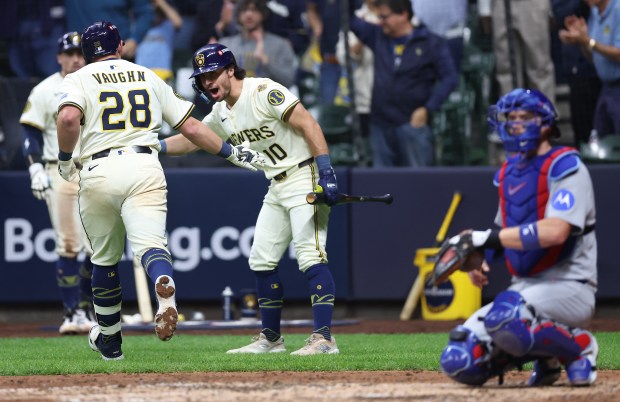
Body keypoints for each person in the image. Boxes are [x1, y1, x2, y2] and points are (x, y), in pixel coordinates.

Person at [56, 21, 265, 360]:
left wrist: (65, 158)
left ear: (84, 53)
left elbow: (67, 120)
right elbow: (193, 127)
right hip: (144, 165)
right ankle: (164, 291)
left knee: (105, 260)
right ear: (120, 46)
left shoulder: (78, 78)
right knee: (152, 247)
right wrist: (230, 153)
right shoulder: (147, 75)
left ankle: (110, 339)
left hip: (98, 168)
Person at [162, 43, 341, 355]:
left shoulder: (263, 91)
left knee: (310, 256)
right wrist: (153, 146)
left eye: (213, 74)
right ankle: (271, 339)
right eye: (202, 78)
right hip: (276, 184)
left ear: (231, 69)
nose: (208, 82)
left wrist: (326, 170)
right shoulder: (220, 112)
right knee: (261, 260)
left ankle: (325, 339)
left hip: (304, 175)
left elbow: (308, 123)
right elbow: (192, 140)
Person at [439, 88, 598, 387]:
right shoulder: (509, 173)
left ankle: (580, 347)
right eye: (512, 118)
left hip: (571, 287)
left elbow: (556, 231)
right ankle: (547, 361)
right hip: (525, 290)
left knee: (507, 316)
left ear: (546, 124)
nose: (516, 124)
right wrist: (480, 259)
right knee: (460, 359)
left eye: (526, 118)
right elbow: (503, 236)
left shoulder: (566, 167)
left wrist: (483, 238)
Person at [19, 31, 96, 335]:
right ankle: (71, 312)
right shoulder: (45, 89)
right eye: (69, 53)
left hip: (95, 167)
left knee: (97, 247)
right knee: (68, 242)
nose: (75, 58)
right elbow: (30, 132)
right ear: (59, 56)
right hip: (59, 168)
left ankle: (91, 308)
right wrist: (34, 168)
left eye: (80, 53)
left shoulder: (94, 84)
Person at [350, 0, 458, 167]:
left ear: (403, 15)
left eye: (385, 17)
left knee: (418, 184)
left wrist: (428, 108)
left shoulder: (430, 42)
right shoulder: (378, 36)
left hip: (412, 123)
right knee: (382, 186)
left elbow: (450, 78)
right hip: (380, 123)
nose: (381, 21)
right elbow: (351, 20)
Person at [559, 0, 620, 138]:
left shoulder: (618, 9)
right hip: (606, 89)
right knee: (600, 143)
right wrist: (581, 40)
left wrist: (589, 41)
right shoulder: (595, 12)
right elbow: (595, 58)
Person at [484, 0, 556, 102]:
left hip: (531, 3)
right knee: (505, 69)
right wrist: (484, 8)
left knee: (538, 66)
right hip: (500, 3)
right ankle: (510, 115)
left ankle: (543, 114)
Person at [220, 0, 299, 88]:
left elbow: (288, 81)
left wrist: (265, 60)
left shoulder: (280, 45)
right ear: (238, 15)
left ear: (263, 13)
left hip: (267, 98)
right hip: (235, 98)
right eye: (244, 10)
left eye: (254, 10)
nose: (249, 14)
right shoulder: (225, 45)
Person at [135, 0, 184, 83]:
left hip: (163, 74)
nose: (154, 15)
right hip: (141, 75)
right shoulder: (139, 27)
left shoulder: (167, 26)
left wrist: (161, 3)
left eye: (157, 13)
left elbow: (178, 22)